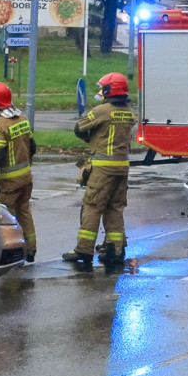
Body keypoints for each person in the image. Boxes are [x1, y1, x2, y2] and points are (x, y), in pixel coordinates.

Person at [62, 72, 136, 265]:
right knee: (115, 208)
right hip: (123, 168)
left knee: (92, 207)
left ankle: (84, 250)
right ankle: (114, 250)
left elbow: (79, 128)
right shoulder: (129, 111)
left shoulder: (103, 110)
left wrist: (90, 138)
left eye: (104, 88)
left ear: (109, 90)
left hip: (103, 169)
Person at [0, 82, 37, 262]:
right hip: (26, 178)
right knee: (24, 212)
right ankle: (30, 249)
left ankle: (9, 253)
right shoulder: (23, 120)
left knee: (4, 218)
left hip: (9, 183)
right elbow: (32, 147)